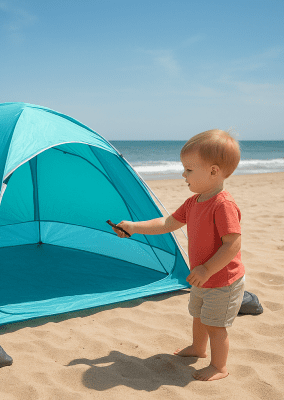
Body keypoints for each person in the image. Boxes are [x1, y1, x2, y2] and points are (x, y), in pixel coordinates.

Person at [112, 130, 245, 381]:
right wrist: (133, 227)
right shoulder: (193, 202)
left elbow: (232, 244)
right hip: (201, 278)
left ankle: (219, 367)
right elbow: (166, 223)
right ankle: (198, 348)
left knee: (216, 325)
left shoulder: (223, 204)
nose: (183, 174)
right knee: (198, 315)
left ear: (214, 171)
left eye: (189, 170)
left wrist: (207, 269)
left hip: (222, 280)